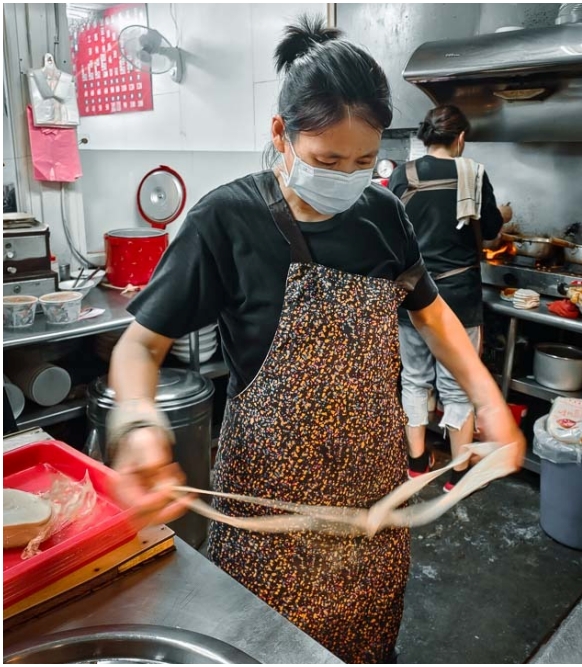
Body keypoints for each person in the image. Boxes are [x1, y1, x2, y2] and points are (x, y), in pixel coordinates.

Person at [105, 17, 525, 664]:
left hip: (373, 505)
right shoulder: (227, 220)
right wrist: (137, 426)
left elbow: (433, 313)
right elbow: (139, 347)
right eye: (328, 160)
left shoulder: (383, 213)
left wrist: (489, 402)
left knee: (368, 646)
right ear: (281, 133)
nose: (347, 177)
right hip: (270, 517)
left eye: (363, 161)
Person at [388, 105, 512, 488]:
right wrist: (502, 214)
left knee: (414, 378)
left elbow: (390, 234)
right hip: (459, 297)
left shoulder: (401, 174)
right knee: (458, 385)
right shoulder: (473, 174)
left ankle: (416, 463)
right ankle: (457, 475)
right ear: (460, 138)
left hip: (413, 294)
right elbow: (490, 234)